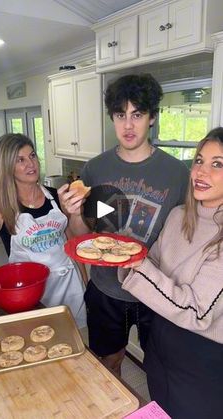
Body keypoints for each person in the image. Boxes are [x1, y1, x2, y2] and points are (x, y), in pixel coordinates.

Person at [58, 73, 189, 374]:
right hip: (106, 290)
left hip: (155, 290)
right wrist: (74, 214)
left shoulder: (177, 173)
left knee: (159, 367)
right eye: (120, 115)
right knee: (109, 361)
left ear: (152, 118)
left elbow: (186, 236)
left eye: (137, 114)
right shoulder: (94, 169)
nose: (128, 125)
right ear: (112, 118)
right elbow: (84, 239)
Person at [118, 127, 223, 419]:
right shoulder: (179, 215)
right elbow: (151, 261)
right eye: (199, 161)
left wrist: (138, 267)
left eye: (218, 164)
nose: (201, 171)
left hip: (202, 357)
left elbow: (196, 312)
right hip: (159, 335)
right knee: (159, 408)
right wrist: (127, 257)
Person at [0, 133, 87, 328]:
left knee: (71, 342)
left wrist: (85, 280)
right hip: (28, 294)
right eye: (20, 160)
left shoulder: (54, 196)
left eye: (32, 155)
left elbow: (70, 241)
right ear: (7, 167)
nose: (31, 164)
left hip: (68, 286)